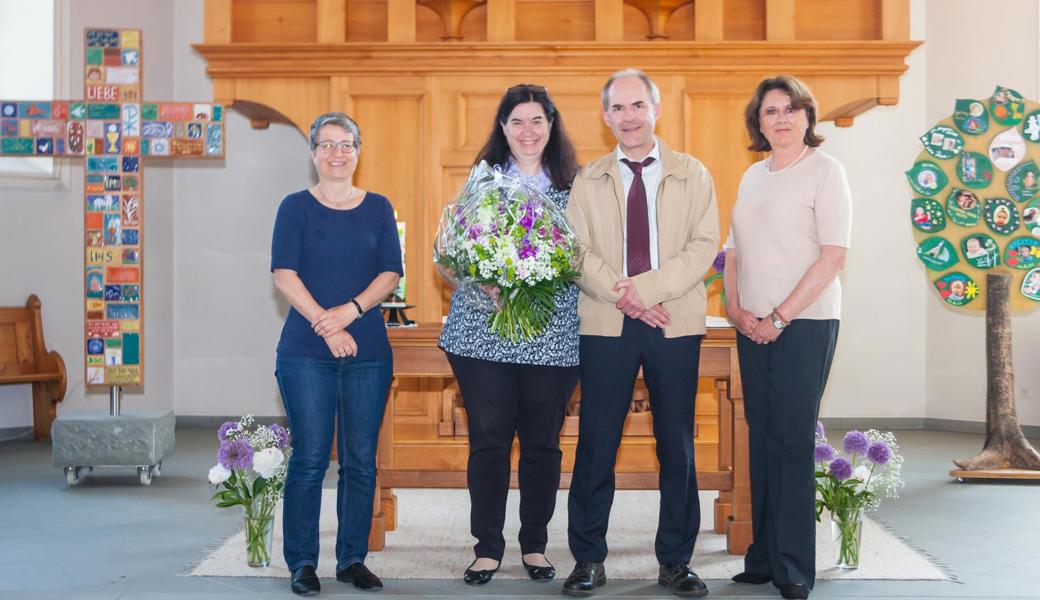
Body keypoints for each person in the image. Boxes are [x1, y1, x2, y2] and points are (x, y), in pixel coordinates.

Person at [563, 69, 719, 598]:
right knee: (596, 444)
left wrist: (647, 292)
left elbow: (703, 248)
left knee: (676, 443)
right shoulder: (587, 179)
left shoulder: (693, 173)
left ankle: (675, 559)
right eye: (618, 108)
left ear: (656, 109)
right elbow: (576, 252)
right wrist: (623, 295)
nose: (628, 117)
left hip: (672, 321)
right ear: (605, 116)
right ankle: (587, 559)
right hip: (605, 323)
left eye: (638, 106)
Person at [438, 84, 581, 586]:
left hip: (553, 332)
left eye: (537, 120)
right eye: (517, 121)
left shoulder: (575, 186)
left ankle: (535, 545)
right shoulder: (482, 183)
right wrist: (484, 282)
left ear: (551, 125)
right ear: (502, 128)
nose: (527, 131)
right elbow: (456, 254)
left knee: (542, 442)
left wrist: (546, 273)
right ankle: (487, 547)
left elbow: (582, 257)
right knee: (489, 439)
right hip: (483, 333)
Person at [724, 75, 852, 600]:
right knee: (762, 435)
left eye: (790, 109)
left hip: (806, 323)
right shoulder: (753, 176)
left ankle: (795, 564)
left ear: (807, 117)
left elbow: (834, 256)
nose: (780, 118)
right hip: (751, 325)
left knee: (793, 441)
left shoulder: (826, 171)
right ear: (758, 122)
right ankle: (763, 554)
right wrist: (735, 308)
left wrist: (778, 317)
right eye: (770, 111)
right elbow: (733, 252)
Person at [271, 112, 403, 596]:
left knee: (360, 460)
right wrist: (327, 327)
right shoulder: (294, 208)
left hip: (367, 349)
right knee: (308, 458)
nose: (336, 153)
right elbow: (285, 276)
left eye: (345, 144)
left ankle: (351, 558)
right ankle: (302, 562)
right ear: (312, 153)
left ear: (357, 151)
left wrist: (349, 311)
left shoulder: (378, 208)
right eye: (326, 145)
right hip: (306, 350)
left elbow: (391, 272)